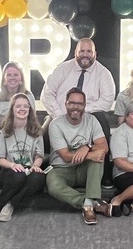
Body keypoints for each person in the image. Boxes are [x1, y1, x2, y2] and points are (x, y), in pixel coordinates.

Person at [41, 38, 116, 184]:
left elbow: (107, 100)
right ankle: (44, 169)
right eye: (82, 51)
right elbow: (47, 95)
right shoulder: (62, 69)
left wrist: (80, 110)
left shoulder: (103, 73)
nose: (85, 55)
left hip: (89, 116)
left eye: (89, 51)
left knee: (102, 121)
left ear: (95, 53)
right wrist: (61, 115)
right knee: (43, 129)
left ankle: (105, 173)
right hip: (60, 113)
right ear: (75, 53)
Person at [44, 88, 108, 225]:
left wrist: (88, 147)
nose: (76, 107)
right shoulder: (55, 124)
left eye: (79, 104)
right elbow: (66, 156)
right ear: (66, 104)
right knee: (53, 186)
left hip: (83, 170)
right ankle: (89, 203)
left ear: (84, 105)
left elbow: (104, 146)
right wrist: (89, 154)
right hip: (61, 169)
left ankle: (89, 205)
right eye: (72, 103)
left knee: (98, 157)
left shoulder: (92, 120)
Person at [0, 92, 46, 222]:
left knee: (39, 177)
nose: (22, 109)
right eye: (18, 106)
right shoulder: (3, 130)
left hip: (28, 171)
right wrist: (12, 165)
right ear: (12, 109)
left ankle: (9, 205)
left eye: (26, 106)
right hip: (9, 172)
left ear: (30, 109)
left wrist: (36, 166)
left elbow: (39, 155)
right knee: (19, 174)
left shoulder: (36, 130)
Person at [0, 62, 36, 137]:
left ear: (21, 78)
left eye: (16, 75)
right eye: (9, 75)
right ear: (4, 78)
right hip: (1, 134)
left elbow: (32, 119)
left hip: (23, 135)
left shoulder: (28, 95)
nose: (12, 77)